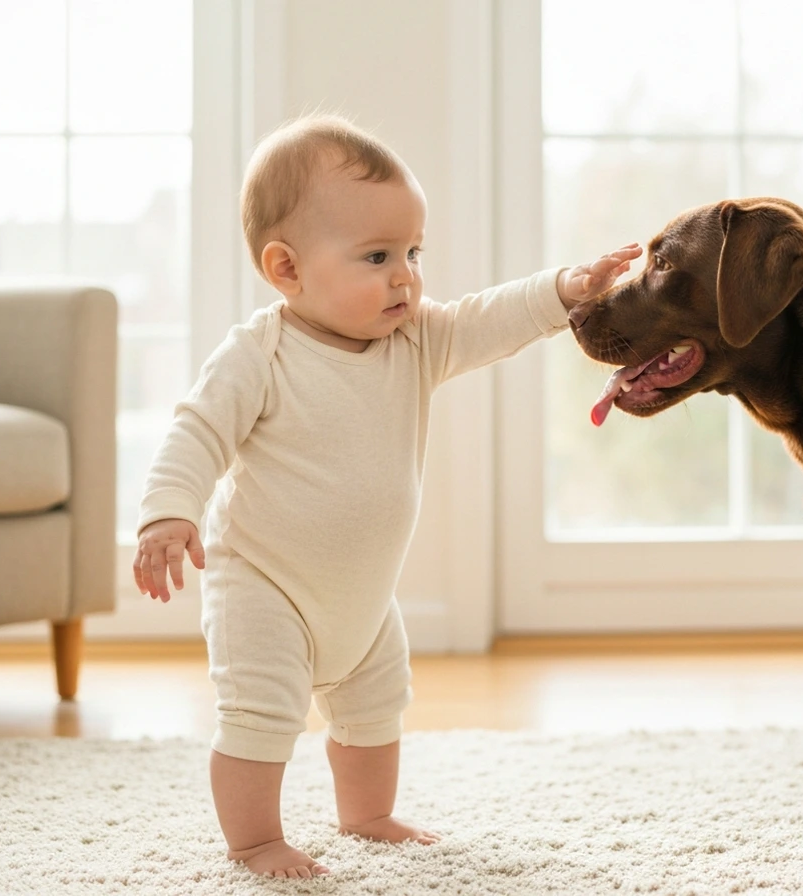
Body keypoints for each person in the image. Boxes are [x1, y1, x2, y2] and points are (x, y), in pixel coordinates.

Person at [133, 114, 640, 879]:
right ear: (286, 268)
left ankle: (366, 815)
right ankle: (254, 839)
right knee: (261, 717)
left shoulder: (415, 340)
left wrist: (564, 290)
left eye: (412, 252)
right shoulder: (259, 354)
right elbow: (197, 431)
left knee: (375, 709)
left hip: (364, 597)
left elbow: (487, 318)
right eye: (377, 256)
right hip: (265, 585)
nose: (405, 274)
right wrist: (169, 511)